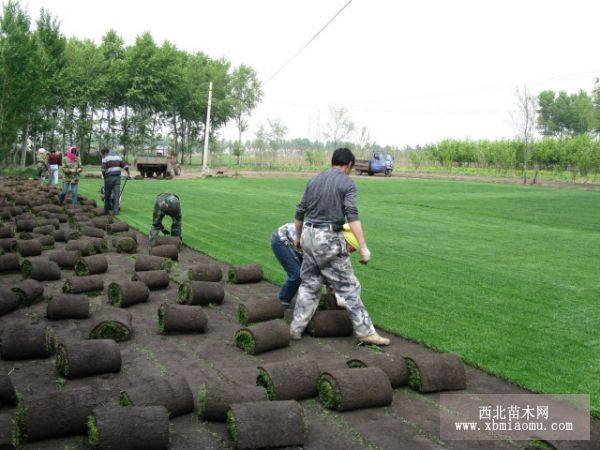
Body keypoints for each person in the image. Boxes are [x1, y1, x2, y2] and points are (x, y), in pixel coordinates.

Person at [290, 147, 390, 346]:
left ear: (333, 161)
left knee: (310, 284)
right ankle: (365, 332)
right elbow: (352, 215)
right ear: (349, 165)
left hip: (309, 235)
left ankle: (295, 329)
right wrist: (362, 246)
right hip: (327, 238)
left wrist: (299, 238)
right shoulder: (347, 183)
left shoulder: (314, 181)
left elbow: (300, 211)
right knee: (350, 287)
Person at [271, 222, 359, 309]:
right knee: (296, 275)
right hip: (282, 239)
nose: (350, 252)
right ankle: (281, 303)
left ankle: (326, 300)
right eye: (351, 248)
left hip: (301, 246)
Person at [100, 146, 130, 215]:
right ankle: (116, 211)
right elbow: (125, 166)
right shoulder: (118, 157)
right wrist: (128, 174)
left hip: (108, 178)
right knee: (117, 195)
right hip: (117, 178)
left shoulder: (105, 157)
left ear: (104, 152)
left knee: (107, 195)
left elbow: (103, 169)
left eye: (102, 154)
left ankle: (106, 211)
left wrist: (104, 176)